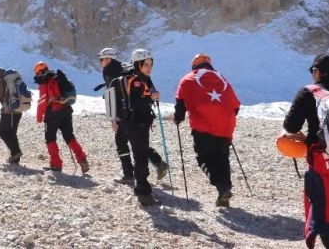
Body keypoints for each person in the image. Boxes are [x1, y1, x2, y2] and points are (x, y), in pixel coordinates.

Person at [282, 55, 329, 249]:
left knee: (325, 215)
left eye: (313, 70)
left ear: (318, 72)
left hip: (324, 165)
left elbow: (290, 125)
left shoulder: (308, 93)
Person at [174, 53, 241, 207]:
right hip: (225, 126)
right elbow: (236, 106)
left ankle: (221, 187)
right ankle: (224, 191)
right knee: (222, 157)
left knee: (204, 158)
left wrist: (178, 118)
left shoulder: (188, 79)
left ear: (194, 66)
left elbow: (180, 103)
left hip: (203, 124)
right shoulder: (222, 79)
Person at [99, 47, 167, 185]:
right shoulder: (131, 69)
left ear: (108, 58)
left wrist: (113, 117)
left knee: (123, 142)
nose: (101, 62)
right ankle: (157, 163)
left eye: (102, 59)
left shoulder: (109, 70)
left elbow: (113, 95)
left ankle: (129, 175)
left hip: (125, 115)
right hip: (140, 114)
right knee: (137, 142)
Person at [121, 48, 163, 206]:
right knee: (141, 156)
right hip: (136, 123)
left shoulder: (144, 78)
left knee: (141, 154)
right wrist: (150, 97)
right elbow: (135, 103)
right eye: (146, 64)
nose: (149, 67)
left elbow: (144, 96)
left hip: (140, 123)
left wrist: (151, 96)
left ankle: (142, 189)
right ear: (138, 64)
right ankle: (144, 193)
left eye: (150, 64)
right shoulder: (136, 80)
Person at [33, 61, 89, 174]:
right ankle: (82, 159)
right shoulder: (56, 77)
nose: (37, 75)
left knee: (50, 138)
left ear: (39, 72)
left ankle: (56, 164)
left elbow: (43, 101)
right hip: (66, 110)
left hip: (53, 113)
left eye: (37, 73)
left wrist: (39, 116)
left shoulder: (45, 81)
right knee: (69, 137)